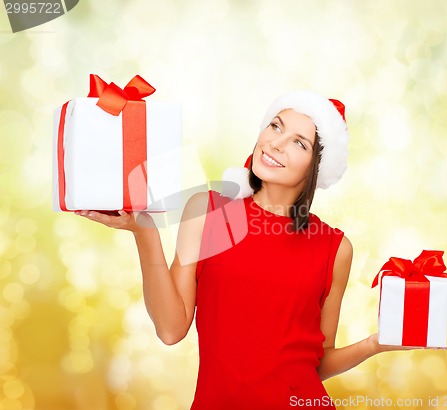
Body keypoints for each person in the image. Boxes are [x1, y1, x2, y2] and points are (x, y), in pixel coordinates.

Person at [75, 91, 415, 409]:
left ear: (316, 167)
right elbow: (170, 328)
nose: (276, 143)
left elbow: (317, 361)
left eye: (299, 142)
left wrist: (375, 344)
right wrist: (144, 232)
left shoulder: (335, 248)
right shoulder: (208, 211)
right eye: (275, 126)